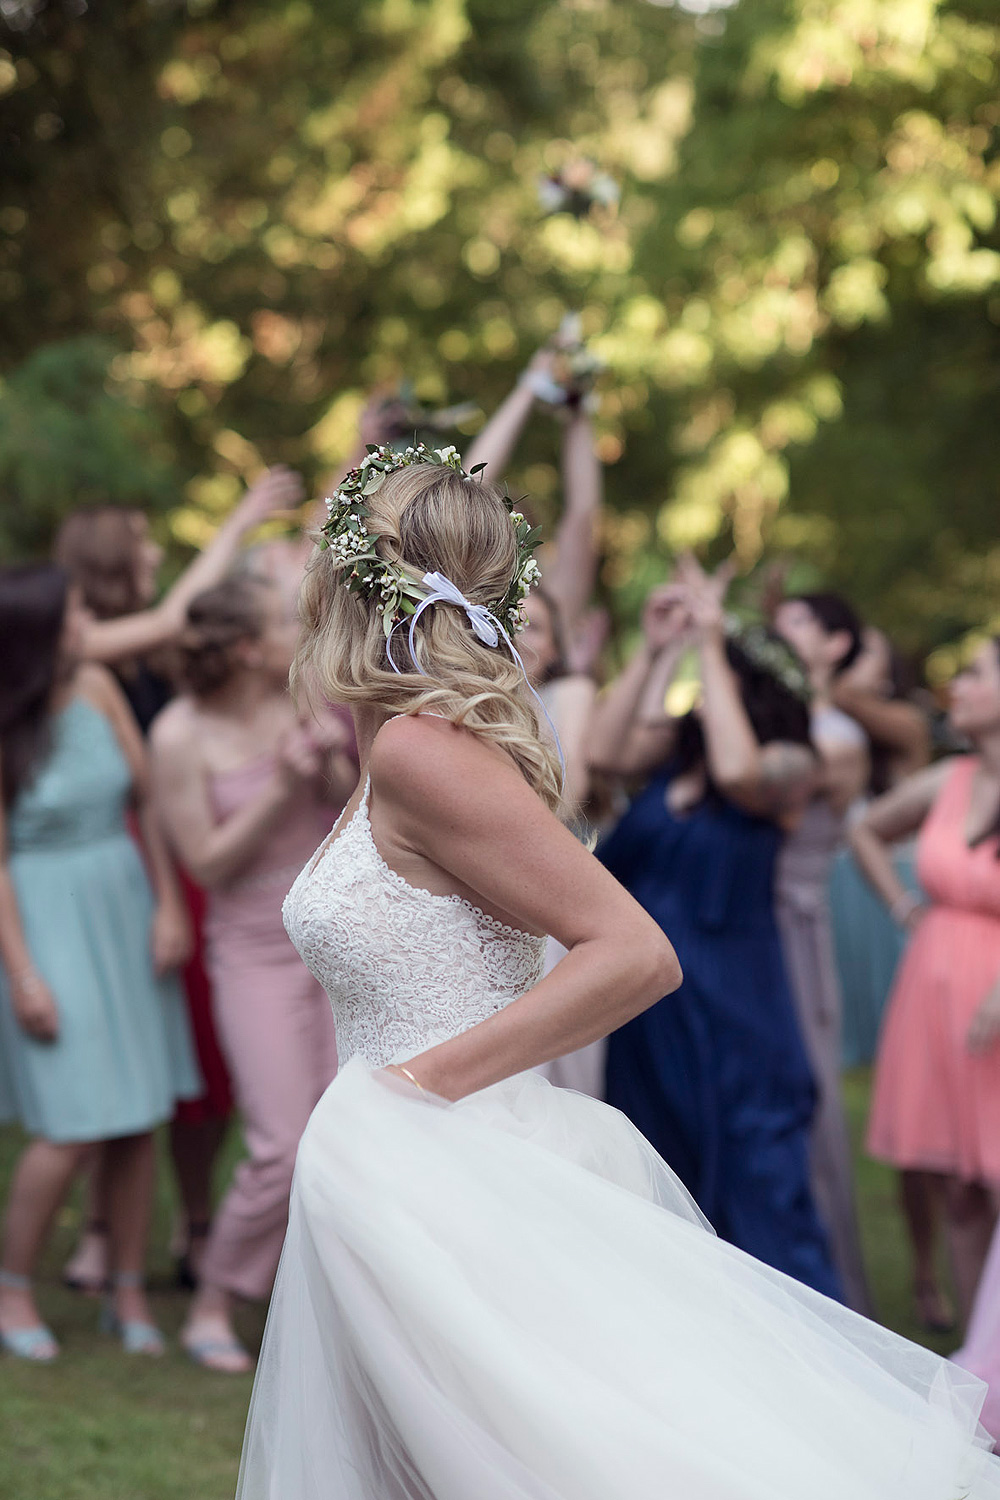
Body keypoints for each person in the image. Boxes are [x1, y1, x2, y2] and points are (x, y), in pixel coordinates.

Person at [236, 447, 1000, 1500]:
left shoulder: (424, 751)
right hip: (398, 1158)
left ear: (350, 581)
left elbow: (635, 954)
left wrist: (415, 1090)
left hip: (451, 1159)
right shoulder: (390, 747)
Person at [588, 559, 839, 1296]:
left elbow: (739, 774)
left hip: (737, 1005)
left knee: (758, 1177)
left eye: (718, 666)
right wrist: (658, 647)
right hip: (648, 1004)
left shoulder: (795, 765)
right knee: (659, 1167)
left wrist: (710, 643)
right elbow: (602, 750)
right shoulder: (673, 750)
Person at [150, 574, 354, 1371]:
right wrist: (282, 787)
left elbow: (351, 807)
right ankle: (214, 1300)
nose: (291, 632)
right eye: (276, 624)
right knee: (280, 1143)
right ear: (244, 648)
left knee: (345, 1131)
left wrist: (333, 763)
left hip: (333, 938)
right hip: (250, 949)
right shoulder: (178, 734)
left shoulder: (304, 695)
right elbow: (206, 861)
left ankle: (323, 1309)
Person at [0, 565, 200, 1360]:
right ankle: (12, 1285)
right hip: (43, 917)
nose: (87, 623)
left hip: (124, 904)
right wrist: (22, 975)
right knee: (74, 1122)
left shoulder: (97, 687)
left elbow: (145, 798)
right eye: (76, 612)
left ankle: (125, 1285)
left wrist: (168, 902)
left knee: (137, 1109)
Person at [853, 636, 1000, 1328]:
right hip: (934, 979)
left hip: (993, 996)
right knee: (961, 1185)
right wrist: (904, 906)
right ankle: (987, 1375)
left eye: (974, 674)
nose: (957, 688)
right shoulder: (953, 780)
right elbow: (866, 833)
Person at [771, 592, 873, 1315]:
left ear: (837, 645)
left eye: (802, 621)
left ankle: (831, 1290)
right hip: (743, 923)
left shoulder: (837, 737)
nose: (783, 627)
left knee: (811, 1101)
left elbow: (768, 790)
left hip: (796, 927)